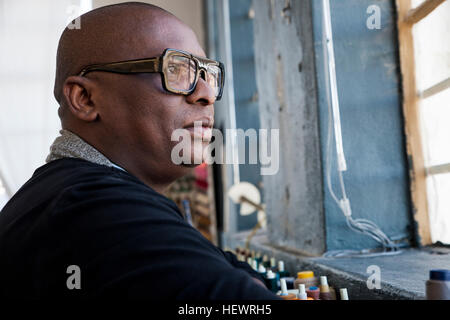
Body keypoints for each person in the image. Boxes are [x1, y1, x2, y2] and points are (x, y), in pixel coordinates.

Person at [0, 2, 280, 300]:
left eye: (208, 75)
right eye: (177, 69)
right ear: (85, 99)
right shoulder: (94, 207)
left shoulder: (75, 192)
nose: (206, 94)